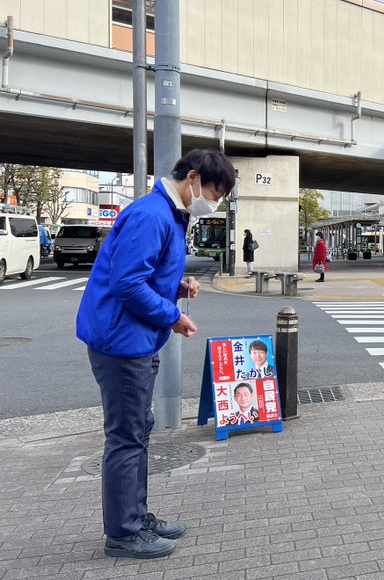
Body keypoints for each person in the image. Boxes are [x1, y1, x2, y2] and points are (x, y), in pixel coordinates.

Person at [76, 149, 236, 559]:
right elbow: (128, 284)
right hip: (122, 341)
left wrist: (177, 287)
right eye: (214, 193)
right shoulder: (152, 214)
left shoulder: (165, 213)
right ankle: (123, 533)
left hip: (132, 338)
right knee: (127, 436)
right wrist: (172, 316)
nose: (213, 203)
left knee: (137, 431)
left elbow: (144, 274)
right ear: (194, 178)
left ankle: (135, 516)